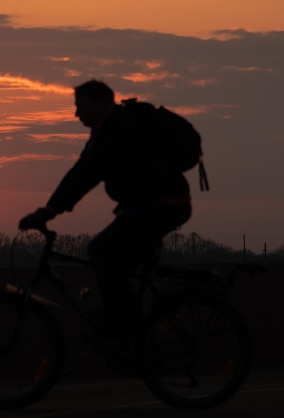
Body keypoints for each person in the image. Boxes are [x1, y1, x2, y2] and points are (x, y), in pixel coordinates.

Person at [19, 80, 192, 349]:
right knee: (119, 265)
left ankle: (121, 329)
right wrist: (51, 208)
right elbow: (82, 170)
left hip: (163, 206)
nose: (77, 114)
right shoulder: (106, 130)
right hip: (154, 205)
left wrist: (49, 211)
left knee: (101, 250)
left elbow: (87, 174)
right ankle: (135, 333)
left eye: (82, 107)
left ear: (101, 104)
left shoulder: (117, 130)